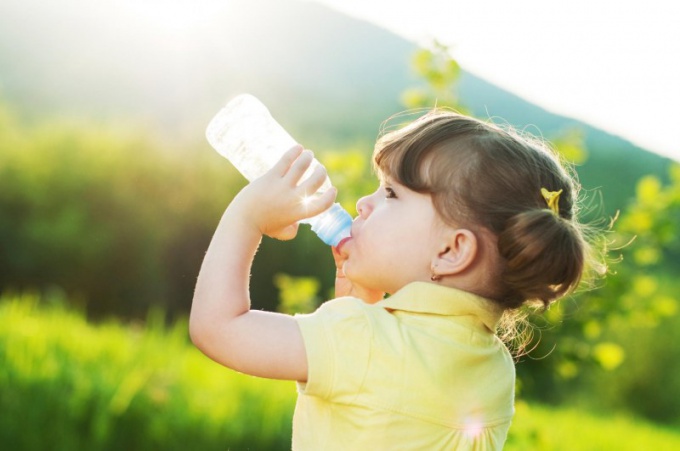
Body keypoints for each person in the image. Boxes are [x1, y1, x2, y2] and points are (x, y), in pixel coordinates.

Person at [190, 110, 603, 450]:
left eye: (390, 193)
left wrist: (247, 217)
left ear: (451, 251)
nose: (363, 204)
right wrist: (362, 301)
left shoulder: (360, 340)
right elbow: (391, 397)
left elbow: (218, 328)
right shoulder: (493, 370)